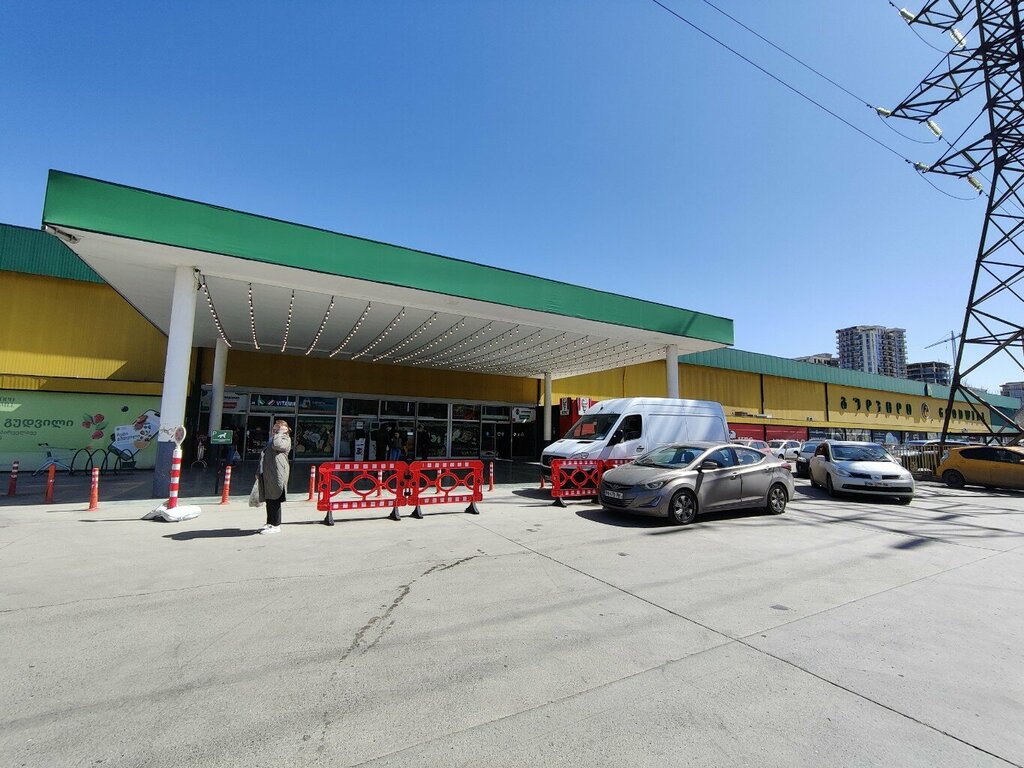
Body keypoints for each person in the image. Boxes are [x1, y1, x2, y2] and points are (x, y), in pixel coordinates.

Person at [256, 420, 292, 534]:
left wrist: (280, 433)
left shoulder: (285, 439)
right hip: (268, 473)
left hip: (277, 473)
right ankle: (270, 522)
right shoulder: (272, 439)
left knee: (275, 498)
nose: (275, 431)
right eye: (274, 429)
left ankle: (276, 525)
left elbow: (277, 446)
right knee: (269, 499)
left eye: (278, 429)